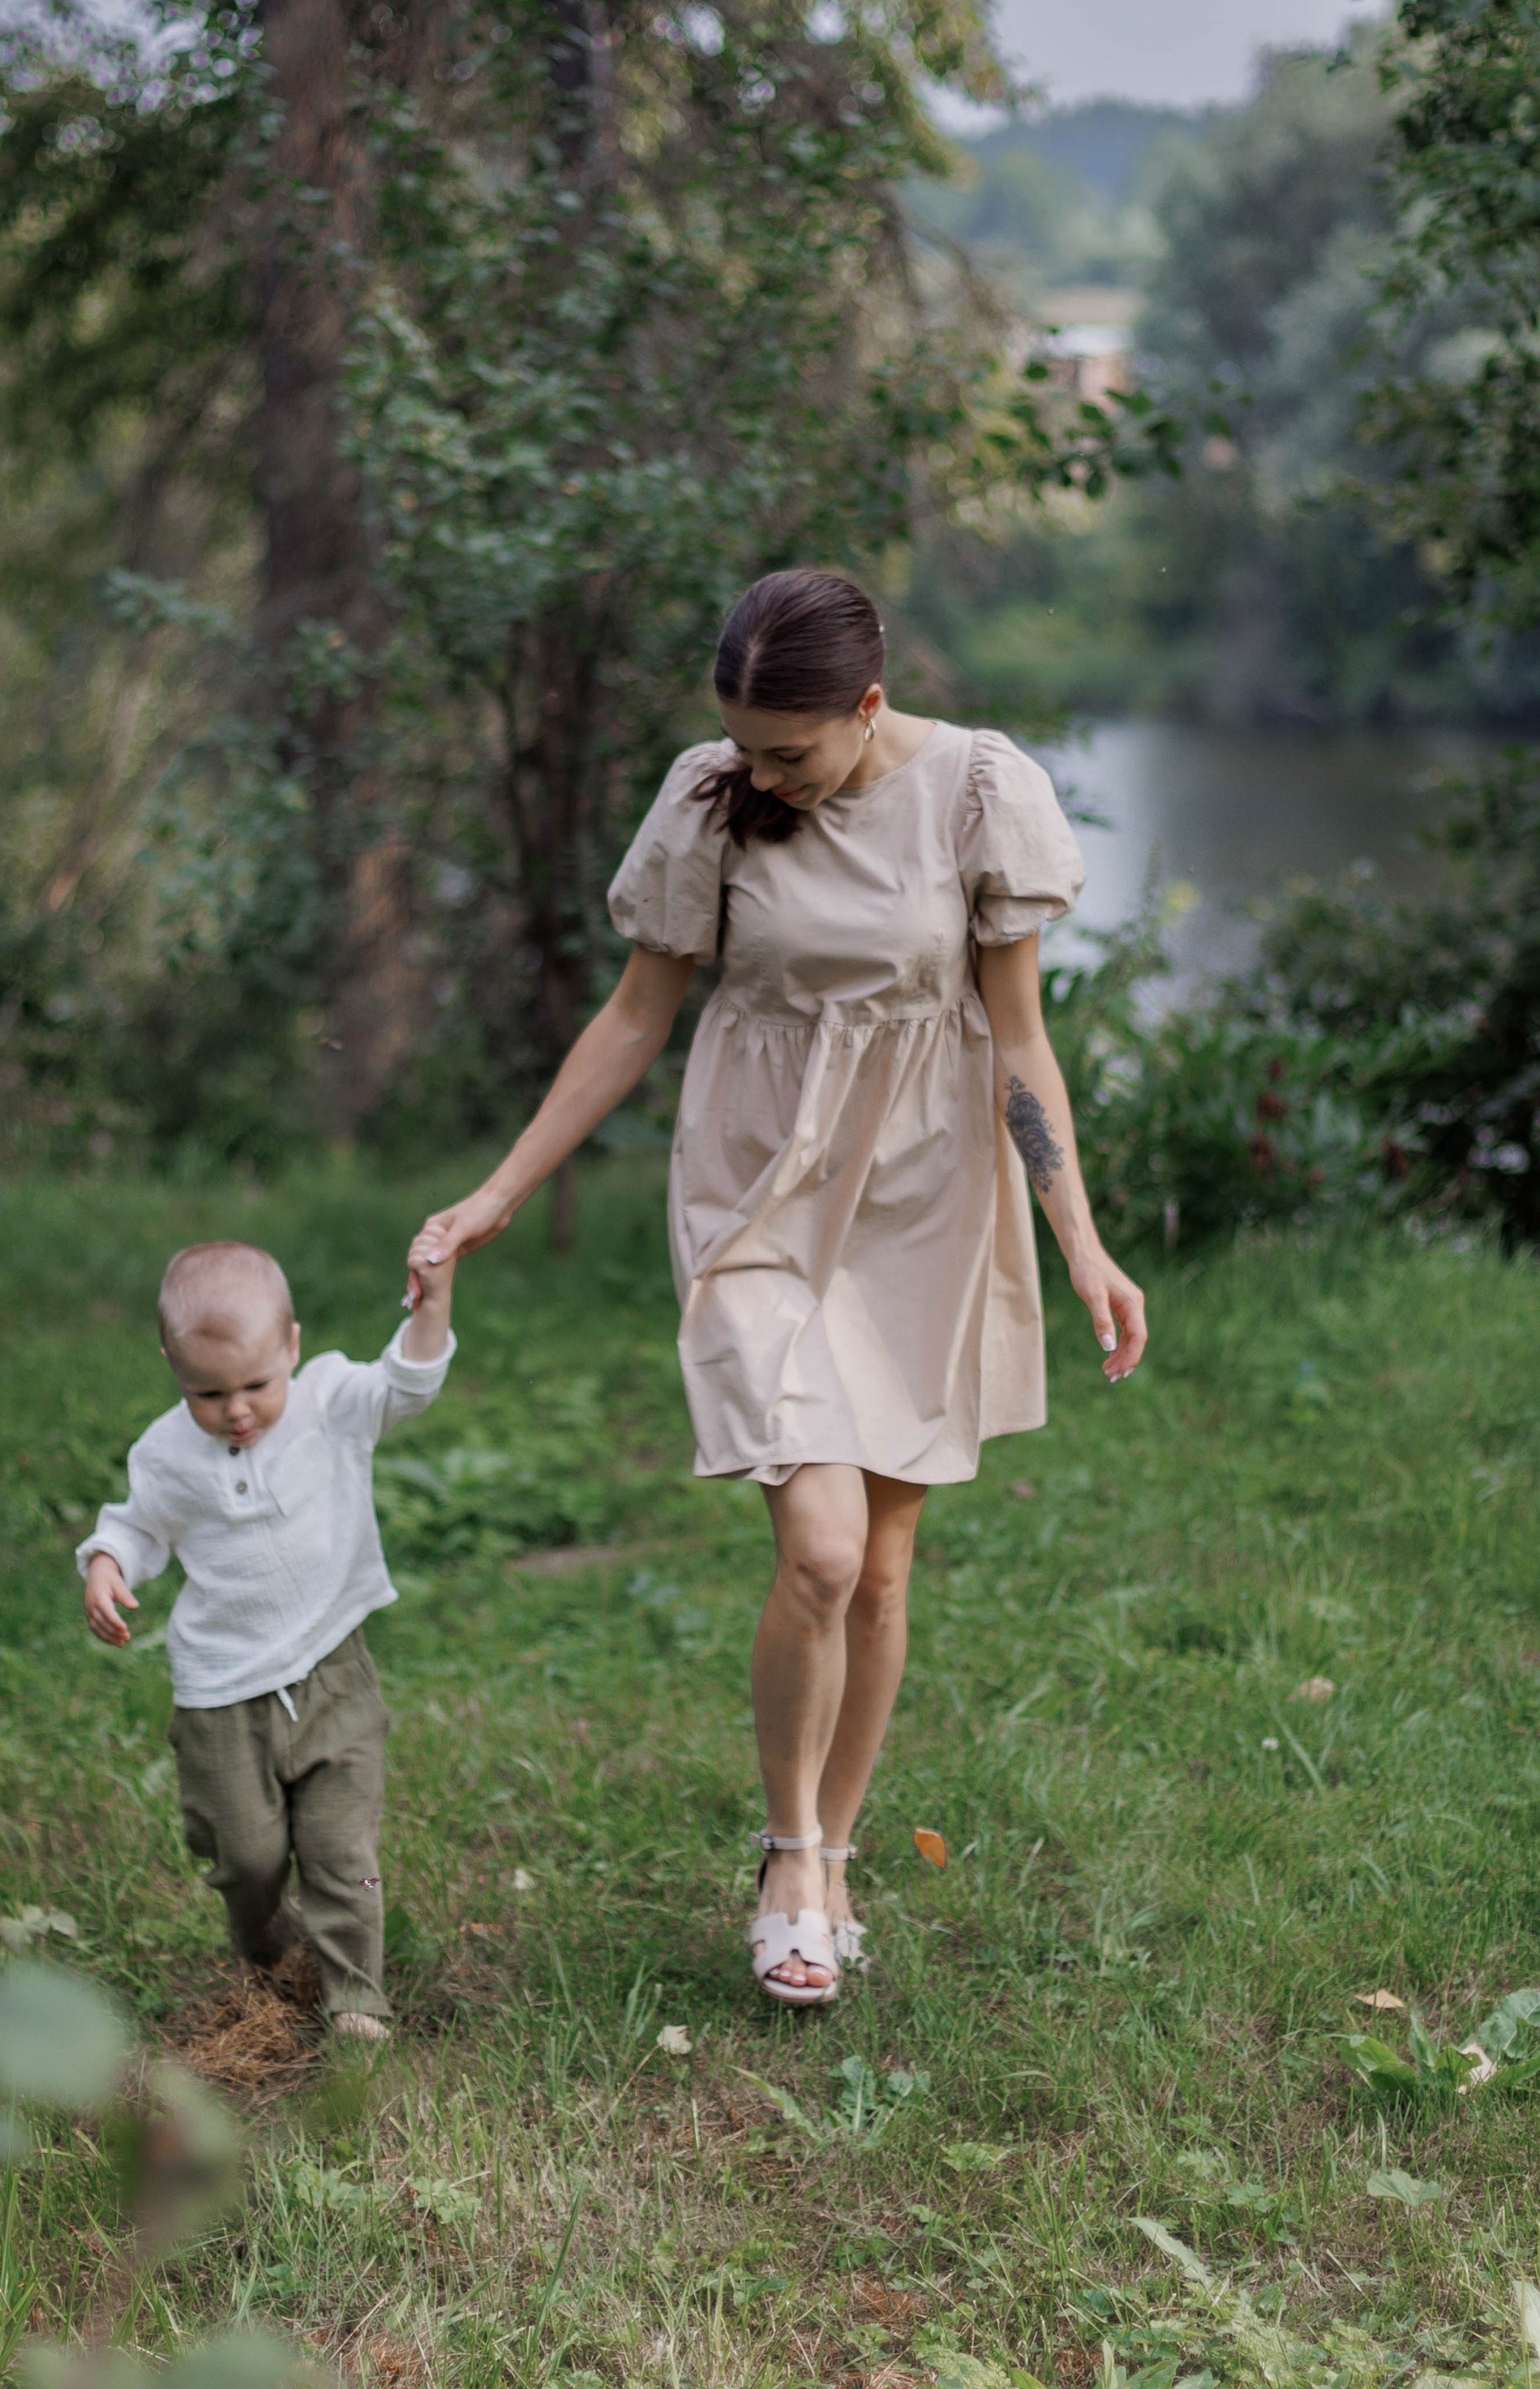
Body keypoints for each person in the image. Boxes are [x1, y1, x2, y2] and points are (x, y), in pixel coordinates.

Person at [410, 567, 1145, 2009]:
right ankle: (789, 1854)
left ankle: (839, 1848)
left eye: (790, 752)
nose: (763, 772)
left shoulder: (981, 791)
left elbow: (1016, 1046)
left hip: (925, 1199)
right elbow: (636, 1017)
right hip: (755, 1187)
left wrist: (1082, 1242)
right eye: (745, 743)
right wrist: (500, 1191)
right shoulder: (709, 795)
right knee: (814, 1548)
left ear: (868, 709)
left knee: (879, 1568)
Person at [78, 1236, 456, 2043]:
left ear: (291, 1346)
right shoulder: (167, 1451)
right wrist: (110, 1563)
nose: (237, 1410)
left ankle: (356, 2001)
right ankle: (265, 1945)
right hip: (221, 1693)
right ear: (173, 1369)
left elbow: (407, 1384)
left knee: (338, 1849)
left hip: (332, 1675)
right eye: (208, 1393)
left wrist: (435, 1302)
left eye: (255, 1384)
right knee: (245, 1858)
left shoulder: (327, 1402)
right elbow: (140, 1525)